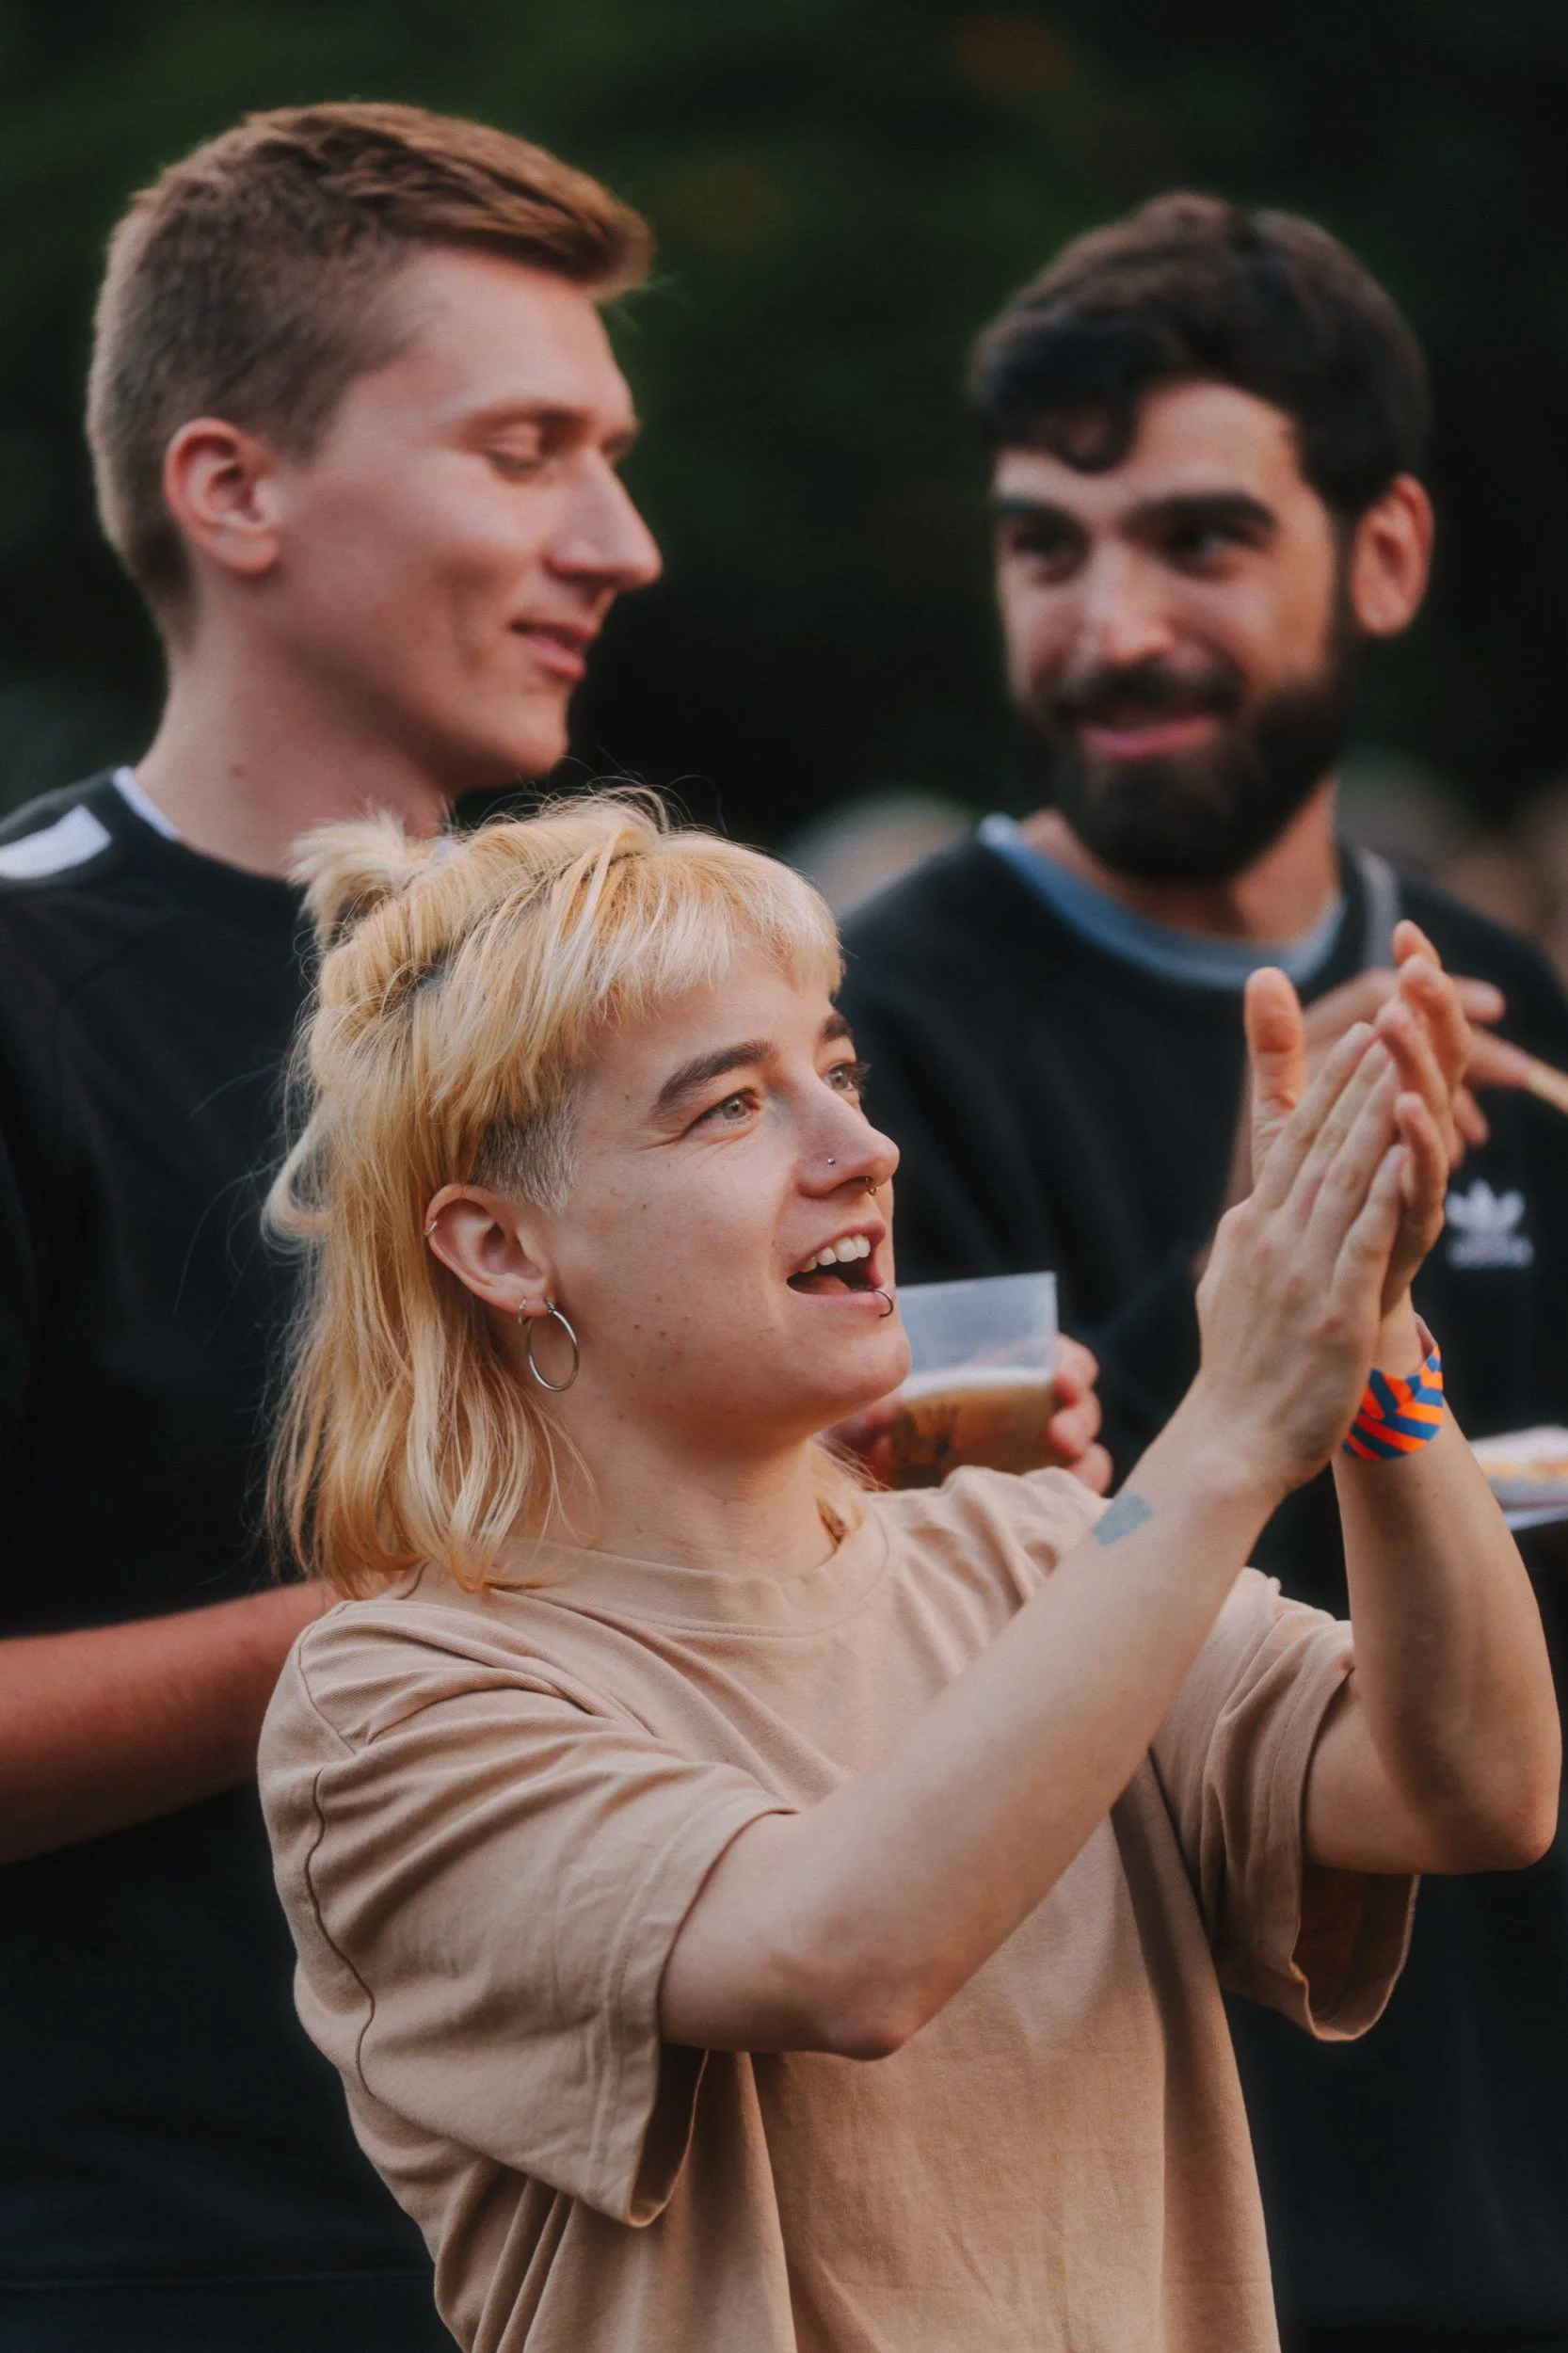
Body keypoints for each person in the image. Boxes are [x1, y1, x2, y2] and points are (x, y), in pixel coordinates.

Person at [254, 791, 1554, 2353]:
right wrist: (1222, 1434)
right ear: (500, 1248)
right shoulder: (397, 1696)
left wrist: (1370, 1335)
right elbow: (846, 1956)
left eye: (840, 1072)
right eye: (729, 1106)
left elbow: (1470, 1790)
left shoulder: (1023, 1547)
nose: (861, 1149)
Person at [837, 194, 1568, 2350]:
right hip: (1138, 2237)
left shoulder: (1502, 1011)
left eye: (1192, 541)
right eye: (1042, 547)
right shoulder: (865, 1045)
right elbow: (908, 1617)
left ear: (1386, 555)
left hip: (1508, 2201)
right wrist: (1253, 1276)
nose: (1106, 625)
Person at [0, 102, 665, 2350]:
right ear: (234, 489)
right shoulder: (22, 999)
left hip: (662, 2258)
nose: (622, 538)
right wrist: (400, 1620)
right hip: (162, 2270)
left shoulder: (645, 1001)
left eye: (612, 453)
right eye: (524, 448)